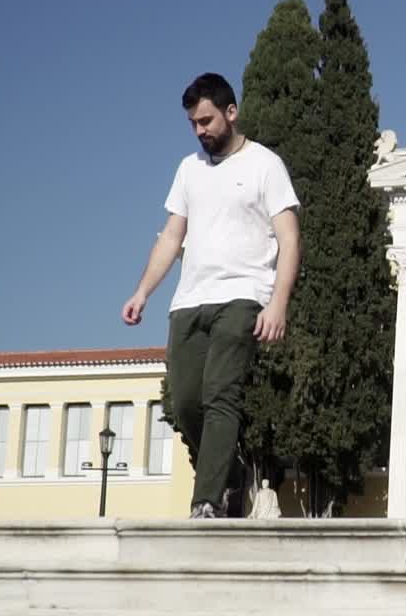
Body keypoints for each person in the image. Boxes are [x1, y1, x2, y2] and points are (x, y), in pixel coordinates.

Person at [121, 72, 301, 519]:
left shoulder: (265, 165)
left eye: (206, 120)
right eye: (193, 124)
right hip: (189, 300)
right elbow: (171, 237)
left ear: (231, 112)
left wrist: (278, 303)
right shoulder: (189, 169)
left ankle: (207, 499)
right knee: (184, 403)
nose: (200, 130)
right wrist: (143, 291)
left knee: (221, 393)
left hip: (243, 295)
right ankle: (229, 472)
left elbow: (290, 238)